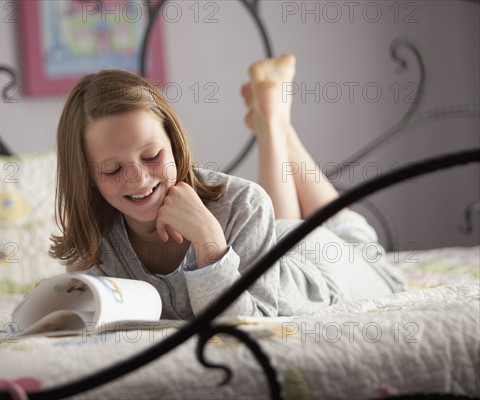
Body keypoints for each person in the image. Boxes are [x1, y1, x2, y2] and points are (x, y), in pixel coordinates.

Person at [49, 55, 406, 319]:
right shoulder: (93, 244)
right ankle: (275, 123)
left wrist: (209, 244)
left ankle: (274, 121)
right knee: (274, 221)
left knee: (355, 238)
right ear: (87, 176)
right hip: (272, 243)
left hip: (321, 264)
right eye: (112, 169)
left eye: (152, 156)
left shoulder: (242, 204)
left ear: (174, 142)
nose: (139, 179)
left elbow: (249, 327)